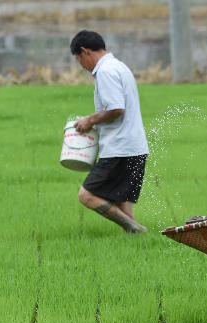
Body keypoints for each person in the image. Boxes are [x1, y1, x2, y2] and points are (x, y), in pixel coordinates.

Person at [70, 30, 149, 233]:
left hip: (119, 148)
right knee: (122, 202)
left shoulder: (105, 71)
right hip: (134, 147)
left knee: (86, 195)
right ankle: (135, 236)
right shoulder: (119, 67)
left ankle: (134, 228)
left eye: (79, 60)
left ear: (84, 52)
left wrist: (89, 120)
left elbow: (116, 108)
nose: (82, 66)